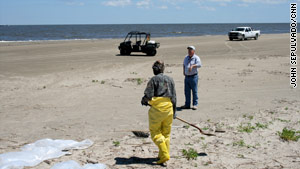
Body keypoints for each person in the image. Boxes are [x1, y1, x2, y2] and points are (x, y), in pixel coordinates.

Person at [141, 60, 176, 165]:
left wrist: (144, 101)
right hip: (169, 108)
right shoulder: (170, 79)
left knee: (155, 132)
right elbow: (174, 97)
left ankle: (164, 154)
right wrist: (174, 111)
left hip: (157, 109)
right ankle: (162, 156)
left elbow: (148, 95)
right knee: (166, 133)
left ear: (154, 70)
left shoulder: (153, 80)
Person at [181, 46, 202, 110]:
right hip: (187, 77)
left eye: (190, 50)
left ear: (193, 51)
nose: (189, 52)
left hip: (193, 76)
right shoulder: (186, 57)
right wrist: (184, 71)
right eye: (188, 50)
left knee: (194, 91)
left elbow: (199, 65)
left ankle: (195, 104)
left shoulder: (196, 58)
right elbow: (184, 64)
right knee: (186, 91)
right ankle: (187, 104)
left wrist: (193, 66)